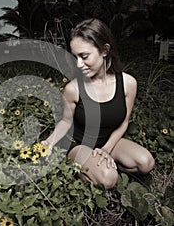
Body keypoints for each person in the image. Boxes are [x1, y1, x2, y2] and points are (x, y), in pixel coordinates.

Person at [42, 18, 155, 189]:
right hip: (78, 144)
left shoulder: (128, 84)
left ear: (104, 50)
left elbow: (124, 123)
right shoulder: (73, 89)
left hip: (108, 141)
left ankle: (100, 164)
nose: (78, 64)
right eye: (75, 57)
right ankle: (85, 166)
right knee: (108, 179)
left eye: (84, 56)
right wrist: (49, 142)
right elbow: (65, 121)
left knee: (145, 163)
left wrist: (106, 149)